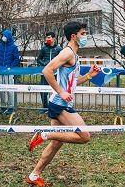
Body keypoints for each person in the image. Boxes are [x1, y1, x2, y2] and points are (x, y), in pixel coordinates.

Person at [26, 21, 100, 187]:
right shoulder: (67, 53)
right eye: (83, 34)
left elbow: (72, 83)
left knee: (56, 144)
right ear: (73, 36)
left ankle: (33, 175)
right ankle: (44, 134)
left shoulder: (74, 54)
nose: (85, 36)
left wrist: (89, 76)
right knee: (84, 136)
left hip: (59, 102)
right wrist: (60, 92)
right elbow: (46, 71)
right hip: (60, 104)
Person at [0, 29, 20, 115]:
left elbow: (16, 59)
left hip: (9, 72)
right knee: (1, 89)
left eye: (4, 36)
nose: (3, 37)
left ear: (8, 37)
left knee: (10, 90)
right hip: (0, 71)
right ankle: (3, 106)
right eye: (2, 36)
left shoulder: (14, 47)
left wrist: (10, 67)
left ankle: (11, 107)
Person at [36, 32, 62, 114]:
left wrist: (57, 65)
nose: (47, 39)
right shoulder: (44, 48)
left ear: (53, 39)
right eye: (46, 37)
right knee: (43, 91)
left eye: (49, 37)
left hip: (55, 74)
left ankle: (53, 107)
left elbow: (62, 60)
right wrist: (44, 64)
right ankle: (45, 107)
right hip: (45, 73)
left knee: (55, 91)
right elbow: (38, 59)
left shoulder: (58, 49)